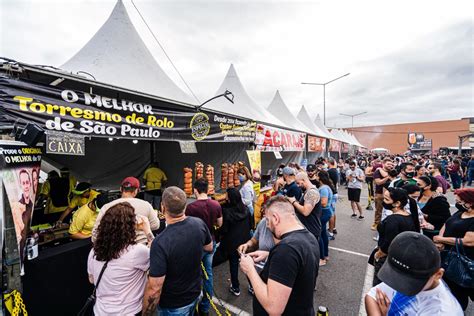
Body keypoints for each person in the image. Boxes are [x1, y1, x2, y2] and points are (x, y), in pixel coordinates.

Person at [239, 196, 319, 315]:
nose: (266, 225)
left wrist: (250, 269)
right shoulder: (309, 238)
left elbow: (274, 308)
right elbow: (296, 266)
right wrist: (269, 255)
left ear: (275, 218)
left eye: (267, 220)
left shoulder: (286, 250)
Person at [142, 187, 213, 316]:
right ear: (185, 207)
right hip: (196, 293)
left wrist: (145, 313)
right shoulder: (199, 224)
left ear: (162, 208)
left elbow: (154, 289)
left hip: (174, 306)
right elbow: (209, 247)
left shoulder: (161, 242)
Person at [365, 232, 463, 315]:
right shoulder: (411, 271)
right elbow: (371, 296)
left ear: (438, 275)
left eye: (411, 282)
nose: (401, 284)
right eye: (397, 277)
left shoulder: (444, 311)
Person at [88, 202, 152, 315]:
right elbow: (158, 257)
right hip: (128, 312)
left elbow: (91, 279)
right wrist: (147, 230)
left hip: (100, 311)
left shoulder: (94, 251)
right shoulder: (137, 252)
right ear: (130, 226)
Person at [185, 178, 222, 315]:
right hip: (211, 243)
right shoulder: (216, 204)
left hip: (196, 245)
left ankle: (193, 308)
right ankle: (205, 308)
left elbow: (187, 228)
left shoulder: (191, 208)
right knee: (208, 275)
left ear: (195, 190)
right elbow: (220, 224)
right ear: (207, 189)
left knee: (193, 276)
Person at [433, 188, 474, 310]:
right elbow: (447, 223)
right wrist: (440, 237)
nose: (457, 203)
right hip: (448, 256)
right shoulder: (460, 212)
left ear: (469, 202)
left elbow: (469, 241)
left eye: (459, 201)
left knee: (459, 289)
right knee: (447, 286)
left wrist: (442, 240)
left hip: (463, 260)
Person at [373, 187, 420, 285]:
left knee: (379, 288)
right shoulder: (409, 216)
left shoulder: (393, 220)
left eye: (386, 199)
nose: (384, 201)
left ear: (397, 203)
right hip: (400, 259)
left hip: (387, 260)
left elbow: (389, 242)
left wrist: (378, 254)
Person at [92, 177, 160, 245]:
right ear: (136, 190)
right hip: (140, 246)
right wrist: (140, 227)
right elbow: (156, 225)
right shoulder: (146, 205)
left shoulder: (107, 207)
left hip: (115, 249)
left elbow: (96, 234)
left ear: (121, 189)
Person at [220, 188, 252, 296]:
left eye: (227, 195)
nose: (225, 197)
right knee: (248, 265)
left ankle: (235, 287)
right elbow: (251, 225)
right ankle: (252, 286)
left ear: (230, 198)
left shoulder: (227, 212)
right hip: (245, 242)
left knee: (233, 265)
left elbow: (224, 230)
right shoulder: (246, 209)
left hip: (232, 244)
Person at [290, 172, 322, 242]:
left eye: (298, 183)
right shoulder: (307, 191)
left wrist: (293, 202)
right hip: (308, 229)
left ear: (303, 180)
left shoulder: (312, 192)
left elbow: (305, 212)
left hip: (311, 230)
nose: (298, 186)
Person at [315, 170, 334, 266]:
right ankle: (325, 255)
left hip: (324, 213)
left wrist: (312, 202)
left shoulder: (324, 189)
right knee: (323, 234)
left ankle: (322, 258)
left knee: (319, 236)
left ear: (320, 177)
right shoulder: (325, 187)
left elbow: (324, 203)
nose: (315, 177)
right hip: (326, 212)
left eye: (317, 175)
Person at [372, 158, 394, 230]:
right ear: (383, 164)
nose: (390, 166)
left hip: (391, 194)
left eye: (391, 164)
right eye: (388, 164)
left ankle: (388, 224)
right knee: (379, 210)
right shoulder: (377, 172)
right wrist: (387, 177)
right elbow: (378, 182)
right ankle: (377, 224)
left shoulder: (392, 171)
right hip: (380, 193)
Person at [18, 169, 33, 264]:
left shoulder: (31, 204)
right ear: (20, 185)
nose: (26, 186)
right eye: (23, 183)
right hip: (19, 252)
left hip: (27, 249)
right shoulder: (18, 206)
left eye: (27, 182)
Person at [327, 158, 339, 237]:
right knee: (333, 212)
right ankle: (333, 228)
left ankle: (331, 232)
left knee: (330, 213)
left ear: (328, 162)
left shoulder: (330, 171)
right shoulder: (335, 170)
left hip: (331, 193)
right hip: (334, 192)